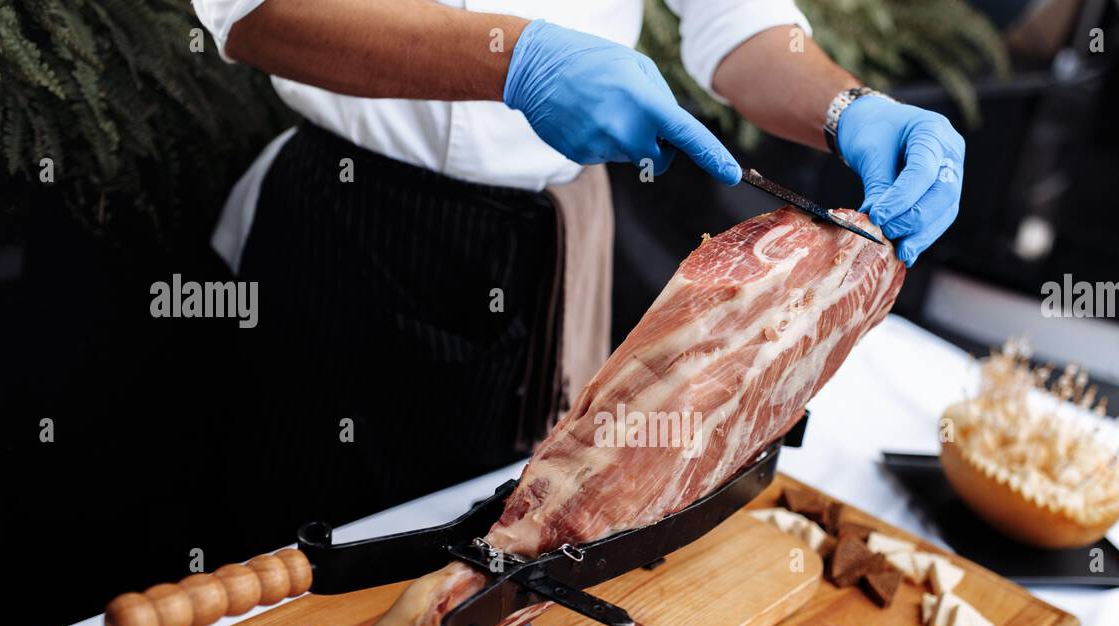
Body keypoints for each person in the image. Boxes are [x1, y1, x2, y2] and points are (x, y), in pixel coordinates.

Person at [193, 0, 964, 533]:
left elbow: (739, 22)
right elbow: (255, 13)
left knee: (515, 544)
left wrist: (848, 108)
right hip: (351, 230)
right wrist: (513, 61)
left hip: (558, 244)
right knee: (288, 564)